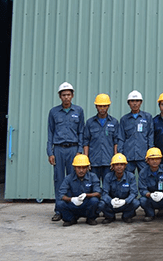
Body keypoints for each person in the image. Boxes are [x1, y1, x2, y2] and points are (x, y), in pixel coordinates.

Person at [47, 82, 85, 221]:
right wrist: (50, 152)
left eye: (68, 94)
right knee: (59, 180)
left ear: (72, 95)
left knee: (73, 179)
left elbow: (81, 132)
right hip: (58, 149)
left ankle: (73, 209)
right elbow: (50, 133)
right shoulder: (53, 112)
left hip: (73, 149)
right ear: (60, 96)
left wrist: (79, 150)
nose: (66, 97)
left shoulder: (78, 111)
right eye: (64, 95)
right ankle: (59, 209)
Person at [82, 93, 118, 185]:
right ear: (96, 106)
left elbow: (116, 142)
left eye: (105, 106)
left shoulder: (114, 122)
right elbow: (86, 142)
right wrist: (86, 160)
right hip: (94, 162)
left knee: (108, 187)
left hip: (108, 162)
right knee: (94, 186)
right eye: (100, 106)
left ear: (108, 106)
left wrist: (115, 160)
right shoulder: (90, 123)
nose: (102, 108)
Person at [55, 154, 100, 226]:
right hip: (73, 205)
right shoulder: (68, 178)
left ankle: (90, 218)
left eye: (84, 168)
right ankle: (70, 219)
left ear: (87, 168)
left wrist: (86, 195)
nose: (81, 170)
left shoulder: (93, 176)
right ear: (74, 168)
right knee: (59, 204)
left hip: (86, 205)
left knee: (94, 200)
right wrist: (72, 199)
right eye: (78, 168)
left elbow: (98, 193)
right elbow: (61, 194)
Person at [116, 90, 154, 175]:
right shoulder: (124, 119)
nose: (135, 103)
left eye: (137, 101)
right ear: (128, 103)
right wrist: (120, 155)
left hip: (143, 156)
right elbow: (121, 138)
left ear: (141, 102)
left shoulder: (147, 117)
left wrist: (150, 154)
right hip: (128, 156)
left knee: (145, 177)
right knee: (128, 178)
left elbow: (150, 136)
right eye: (132, 101)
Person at [99, 153, 140, 223]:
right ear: (113, 166)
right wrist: (111, 201)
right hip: (112, 204)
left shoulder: (130, 176)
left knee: (136, 202)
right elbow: (104, 193)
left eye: (121, 164)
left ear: (125, 166)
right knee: (101, 204)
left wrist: (125, 201)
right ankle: (110, 216)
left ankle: (126, 216)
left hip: (125, 204)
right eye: (116, 164)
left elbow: (134, 193)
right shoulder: (108, 176)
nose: (119, 167)